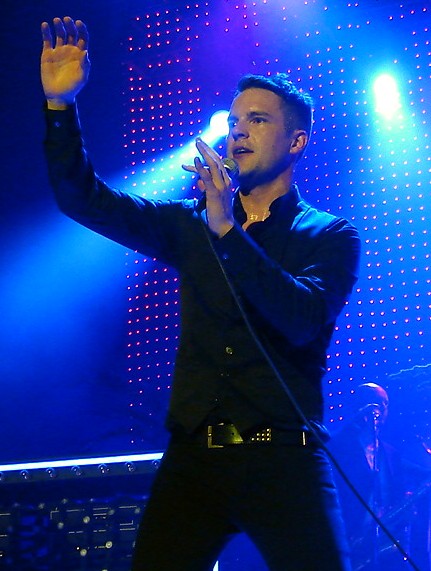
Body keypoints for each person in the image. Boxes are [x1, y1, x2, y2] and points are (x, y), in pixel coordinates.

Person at [40, 16, 361, 571]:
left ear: (297, 141)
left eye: (257, 120)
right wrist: (60, 105)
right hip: (195, 458)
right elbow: (83, 200)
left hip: (283, 457)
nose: (238, 132)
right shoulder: (191, 223)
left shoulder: (329, 235)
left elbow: (301, 317)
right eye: (234, 121)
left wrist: (226, 230)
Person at [329, 383, 430, 570]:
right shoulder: (338, 447)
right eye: (374, 402)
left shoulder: (390, 452)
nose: (381, 408)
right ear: (359, 405)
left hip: (384, 539)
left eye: (385, 403)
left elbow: (402, 487)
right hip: (350, 537)